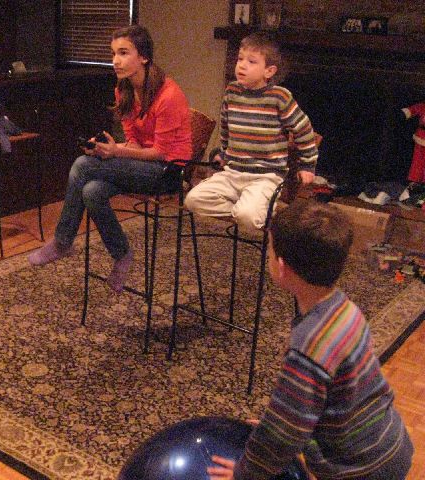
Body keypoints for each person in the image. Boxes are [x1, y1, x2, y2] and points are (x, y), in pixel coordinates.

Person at [207, 200, 414, 480]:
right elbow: (337, 398)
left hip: (359, 470)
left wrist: (244, 473)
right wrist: (282, 425)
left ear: (281, 267)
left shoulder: (308, 350)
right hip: (390, 443)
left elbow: (282, 434)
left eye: (270, 249)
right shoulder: (346, 309)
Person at [28, 25, 192, 293]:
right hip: (142, 164)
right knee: (92, 191)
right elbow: (135, 142)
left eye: (124, 53)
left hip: (169, 171)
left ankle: (62, 242)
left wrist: (116, 152)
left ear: (144, 57)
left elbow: (161, 153)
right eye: (113, 53)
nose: (116, 60)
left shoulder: (168, 95)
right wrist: (105, 149)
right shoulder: (123, 90)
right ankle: (122, 254)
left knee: (82, 166)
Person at [185, 32, 318, 230]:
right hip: (233, 172)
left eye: (251, 61)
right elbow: (226, 127)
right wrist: (224, 152)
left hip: (265, 176)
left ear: (269, 71)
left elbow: (304, 129)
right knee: (193, 201)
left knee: (247, 217)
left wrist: (307, 165)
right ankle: (251, 211)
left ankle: (254, 211)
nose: (242, 65)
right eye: (240, 59)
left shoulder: (279, 97)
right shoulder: (232, 91)